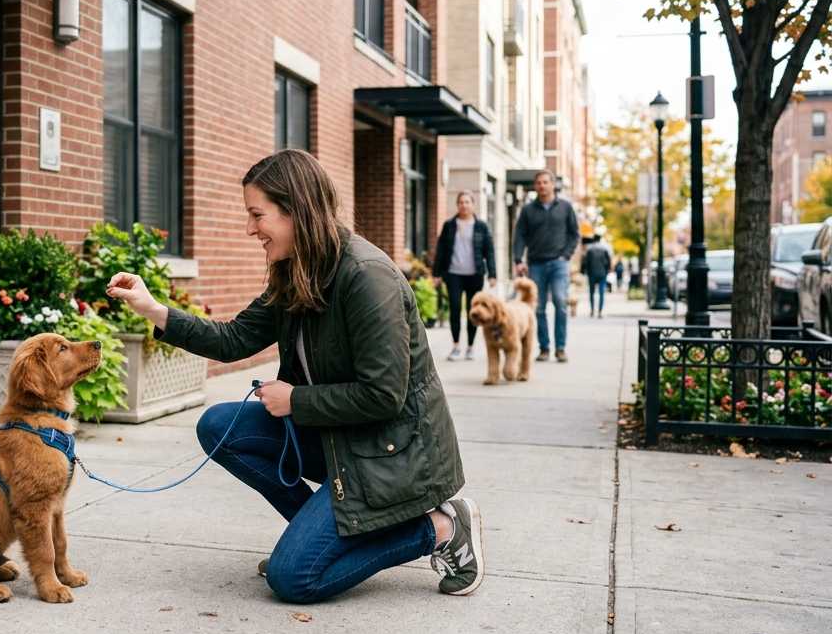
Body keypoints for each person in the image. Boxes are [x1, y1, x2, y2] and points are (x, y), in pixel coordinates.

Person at [105, 150, 481, 604]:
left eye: (257, 214)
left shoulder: (367, 277)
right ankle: (312, 542)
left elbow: (384, 396)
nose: (250, 229)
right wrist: (152, 309)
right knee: (218, 427)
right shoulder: (296, 269)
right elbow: (233, 340)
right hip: (339, 439)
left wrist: (296, 400)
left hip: (392, 454)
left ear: (295, 210)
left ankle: (442, 527)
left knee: (294, 580)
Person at [512, 170, 580, 362]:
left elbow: (575, 233)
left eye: (545, 182)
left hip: (559, 264)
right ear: (535, 186)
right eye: (538, 183)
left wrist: (565, 255)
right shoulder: (527, 210)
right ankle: (544, 348)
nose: (542, 185)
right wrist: (519, 260)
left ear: (552, 184)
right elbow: (519, 236)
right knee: (538, 307)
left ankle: (560, 348)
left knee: (560, 302)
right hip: (536, 264)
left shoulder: (565, 207)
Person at [432, 192, 498, 361]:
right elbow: (440, 250)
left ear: (473, 204)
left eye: (467, 202)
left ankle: (470, 347)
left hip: (475, 274)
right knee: (455, 309)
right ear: (457, 204)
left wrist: (492, 274)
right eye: (461, 202)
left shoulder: (481, 226)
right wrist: (437, 273)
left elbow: (489, 251)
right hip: (453, 274)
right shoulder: (449, 225)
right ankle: (455, 346)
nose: (464, 205)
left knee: (474, 311)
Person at [582, 238, 612, 317]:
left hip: (592, 273)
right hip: (602, 274)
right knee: (602, 293)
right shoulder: (604, 249)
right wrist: (606, 271)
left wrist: (586, 272)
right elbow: (608, 262)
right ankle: (600, 311)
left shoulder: (590, 249)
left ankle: (592, 310)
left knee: (591, 292)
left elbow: (586, 262)